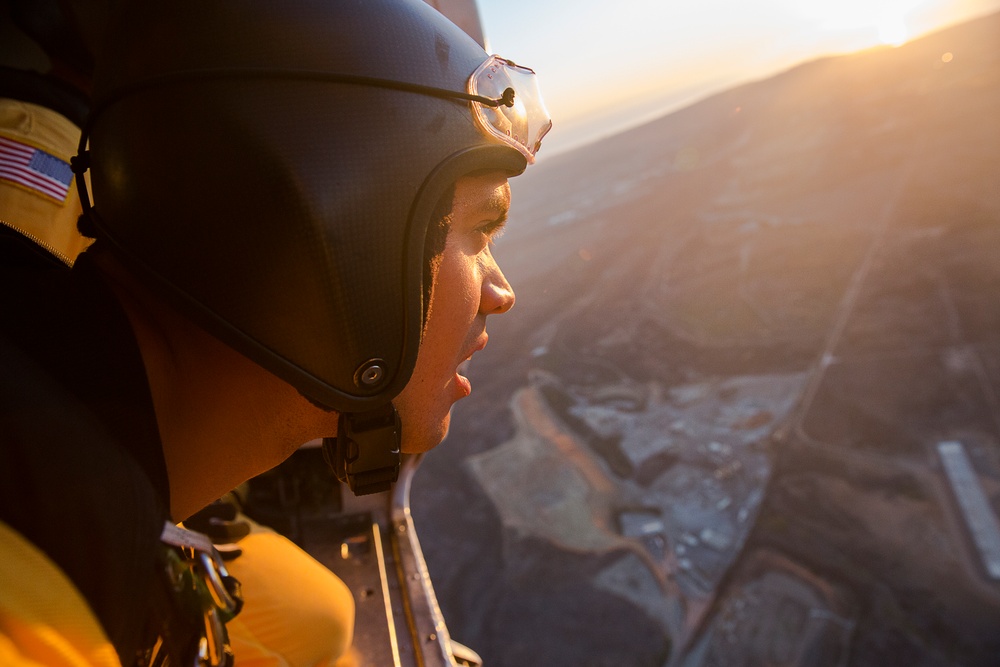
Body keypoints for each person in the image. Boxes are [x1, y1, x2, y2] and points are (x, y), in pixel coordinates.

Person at [0, 0, 551, 665]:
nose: (503, 292)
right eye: (480, 233)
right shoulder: (42, 603)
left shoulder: (58, 424)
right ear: (337, 237)